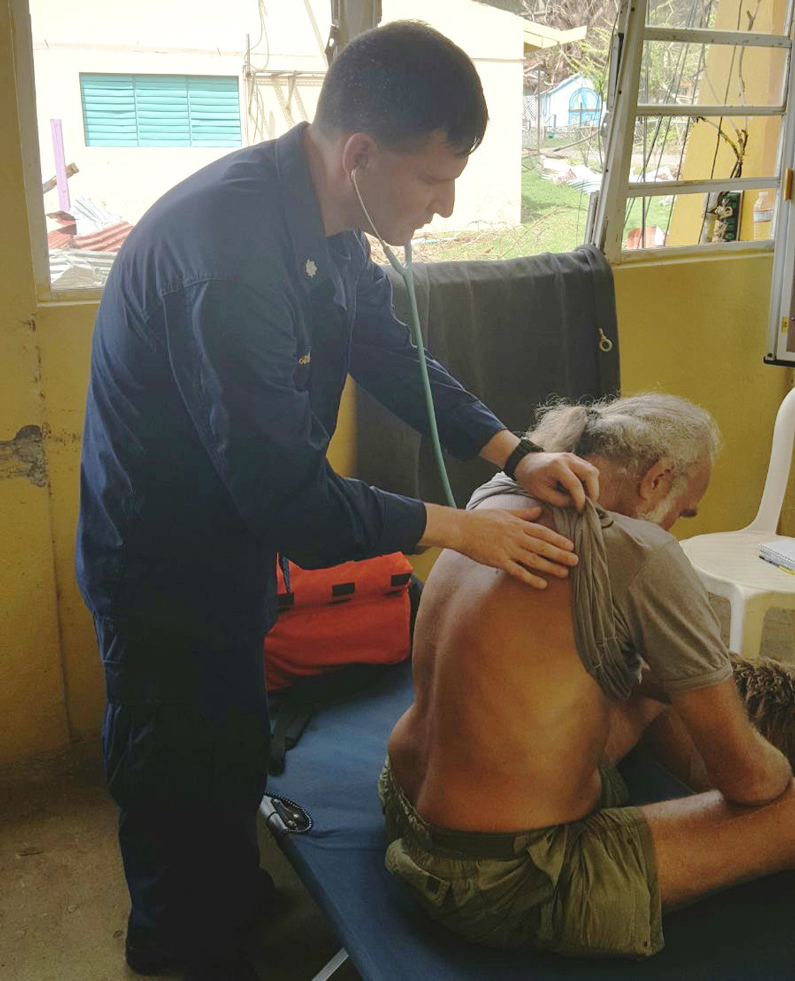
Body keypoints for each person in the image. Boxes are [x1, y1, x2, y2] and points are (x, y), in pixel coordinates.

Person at [75, 21, 599, 981]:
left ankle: (229, 903)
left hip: (226, 541)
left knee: (231, 735)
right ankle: (176, 948)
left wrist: (514, 453)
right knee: (174, 753)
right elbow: (292, 501)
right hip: (159, 553)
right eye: (431, 180)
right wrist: (461, 531)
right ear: (359, 153)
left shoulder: (326, 219)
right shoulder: (228, 253)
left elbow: (387, 352)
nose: (441, 209)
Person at [381, 393, 795, 960]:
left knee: (656, 691)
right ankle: (718, 830)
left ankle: (702, 821)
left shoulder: (496, 497)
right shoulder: (643, 549)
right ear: (656, 480)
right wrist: (773, 767)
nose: (677, 523)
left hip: (403, 803)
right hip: (504, 881)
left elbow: (589, 661)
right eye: (685, 508)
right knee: (780, 800)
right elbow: (754, 782)